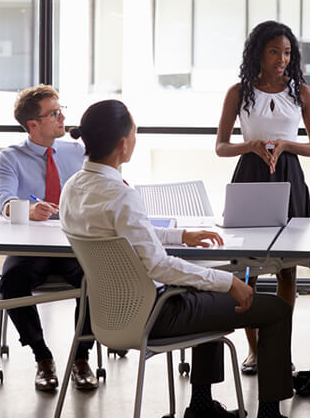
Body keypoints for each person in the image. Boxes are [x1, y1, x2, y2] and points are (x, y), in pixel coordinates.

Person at [61, 100, 293, 418]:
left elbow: (123, 239)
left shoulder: (72, 188)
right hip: (156, 314)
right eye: (135, 133)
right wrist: (230, 282)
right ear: (123, 144)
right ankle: (269, 414)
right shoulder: (120, 195)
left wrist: (181, 236)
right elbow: (160, 266)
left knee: (205, 290)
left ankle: (201, 406)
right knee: (276, 309)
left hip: (110, 316)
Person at [216, 20, 310, 374]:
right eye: (274, 51)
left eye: (287, 52)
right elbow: (220, 147)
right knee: (247, 269)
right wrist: (250, 145)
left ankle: (279, 348)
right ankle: (255, 349)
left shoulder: (301, 93)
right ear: (258, 53)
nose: (282, 59)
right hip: (250, 176)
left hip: (289, 176)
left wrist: (286, 144)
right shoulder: (238, 92)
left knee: (287, 271)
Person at [0, 84, 98, 392]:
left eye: (61, 109)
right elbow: (2, 199)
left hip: (74, 244)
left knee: (99, 277)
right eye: (54, 113)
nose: (62, 117)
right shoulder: (10, 157)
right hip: (31, 248)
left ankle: (81, 357)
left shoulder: (77, 151)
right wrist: (27, 208)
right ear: (33, 125)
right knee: (12, 281)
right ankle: (43, 357)